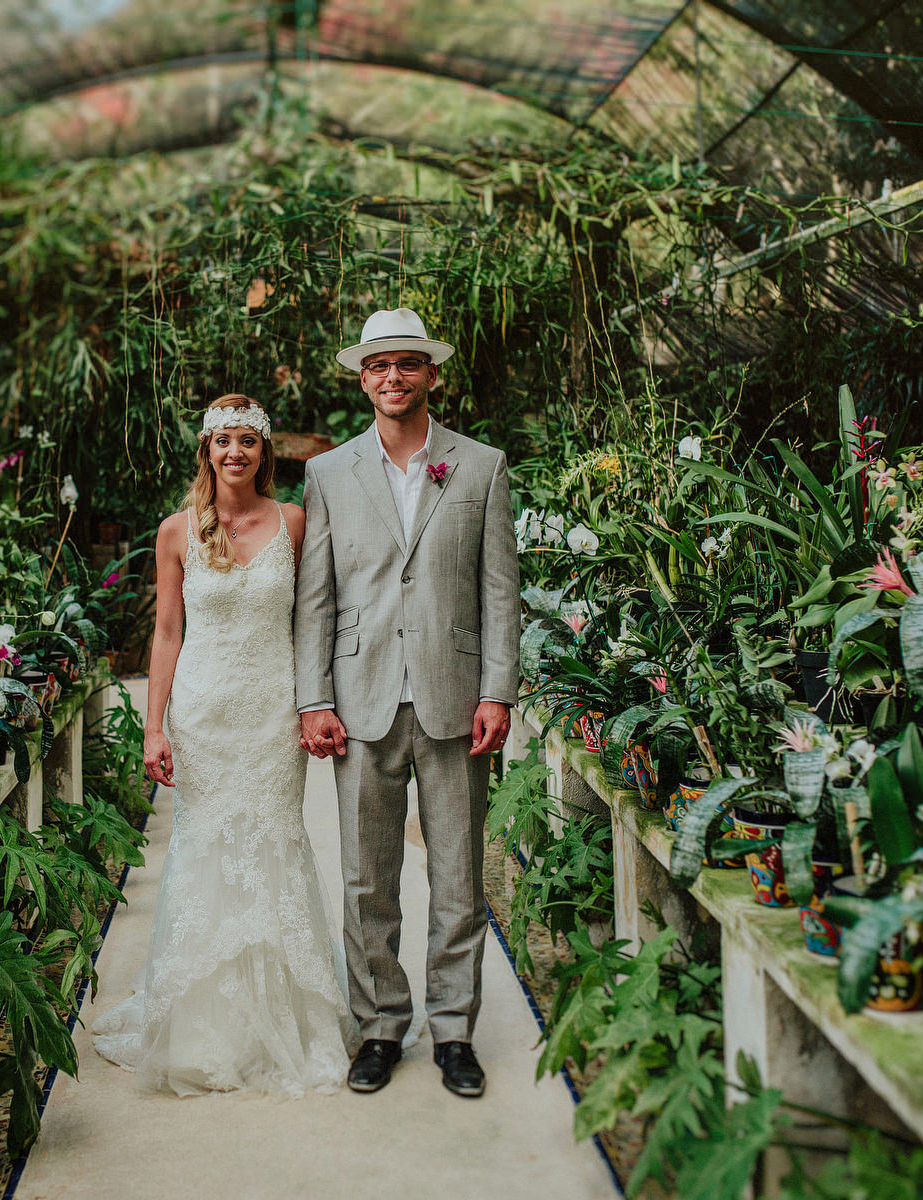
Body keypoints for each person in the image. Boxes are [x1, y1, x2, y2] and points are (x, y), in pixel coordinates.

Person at [92, 394, 354, 1096]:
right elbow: (167, 632)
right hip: (204, 713)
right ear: (205, 451)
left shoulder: (295, 522)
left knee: (273, 840)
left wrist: (312, 705)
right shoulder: (177, 530)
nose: (234, 452)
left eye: (247, 440)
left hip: (271, 714)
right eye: (222, 441)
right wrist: (153, 725)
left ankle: (286, 1013)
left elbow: (313, 623)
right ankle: (203, 1029)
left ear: (265, 453)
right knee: (205, 849)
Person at [295, 308, 520, 1098]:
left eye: (408, 364)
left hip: (456, 700)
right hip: (360, 703)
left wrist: (498, 689)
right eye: (379, 366)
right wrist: (313, 698)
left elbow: (501, 591)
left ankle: (454, 1029)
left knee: (459, 874)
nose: (394, 377)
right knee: (367, 879)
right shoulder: (328, 474)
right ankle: (381, 1026)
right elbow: (316, 600)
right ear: (363, 380)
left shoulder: (481, 466)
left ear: (431, 374)